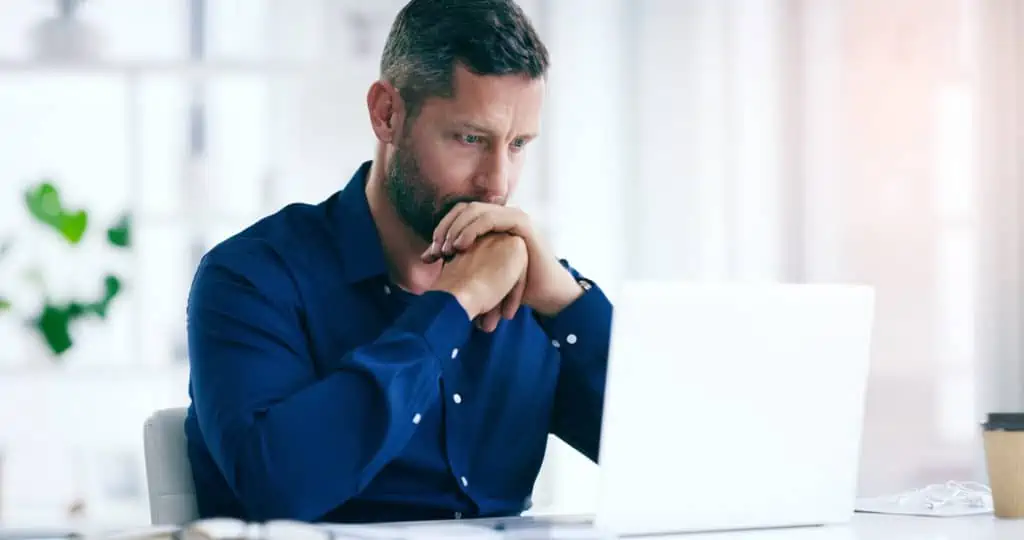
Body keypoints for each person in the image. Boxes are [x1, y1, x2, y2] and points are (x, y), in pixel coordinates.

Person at [184, 0, 613, 524]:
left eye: (518, 144)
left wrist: (567, 304)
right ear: (387, 114)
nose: (497, 183)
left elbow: (676, 460)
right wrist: (453, 305)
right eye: (471, 139)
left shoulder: (530, 290)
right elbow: (281, 490)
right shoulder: (251, 279)